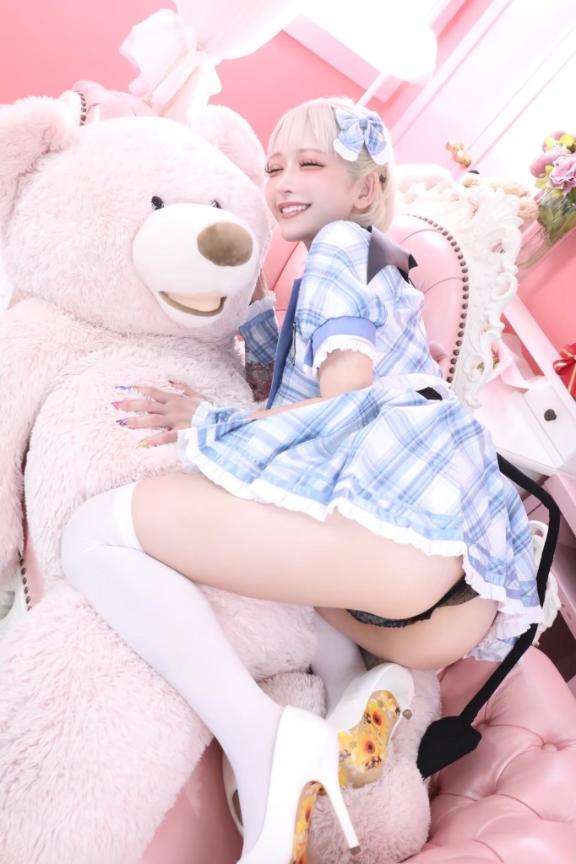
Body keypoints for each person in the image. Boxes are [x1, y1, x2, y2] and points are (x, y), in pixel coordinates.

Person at [59, 96, 543, 862]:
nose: (283, 180)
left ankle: (263, 742)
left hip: (399, 554)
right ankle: (352, 691)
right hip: (441, 601)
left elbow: (344, 396)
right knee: (279, 571)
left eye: (309, 163)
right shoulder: (380, 260)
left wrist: (208, 422)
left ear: (363, 187)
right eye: (275, 165)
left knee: (93, 534)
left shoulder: (340, 248)